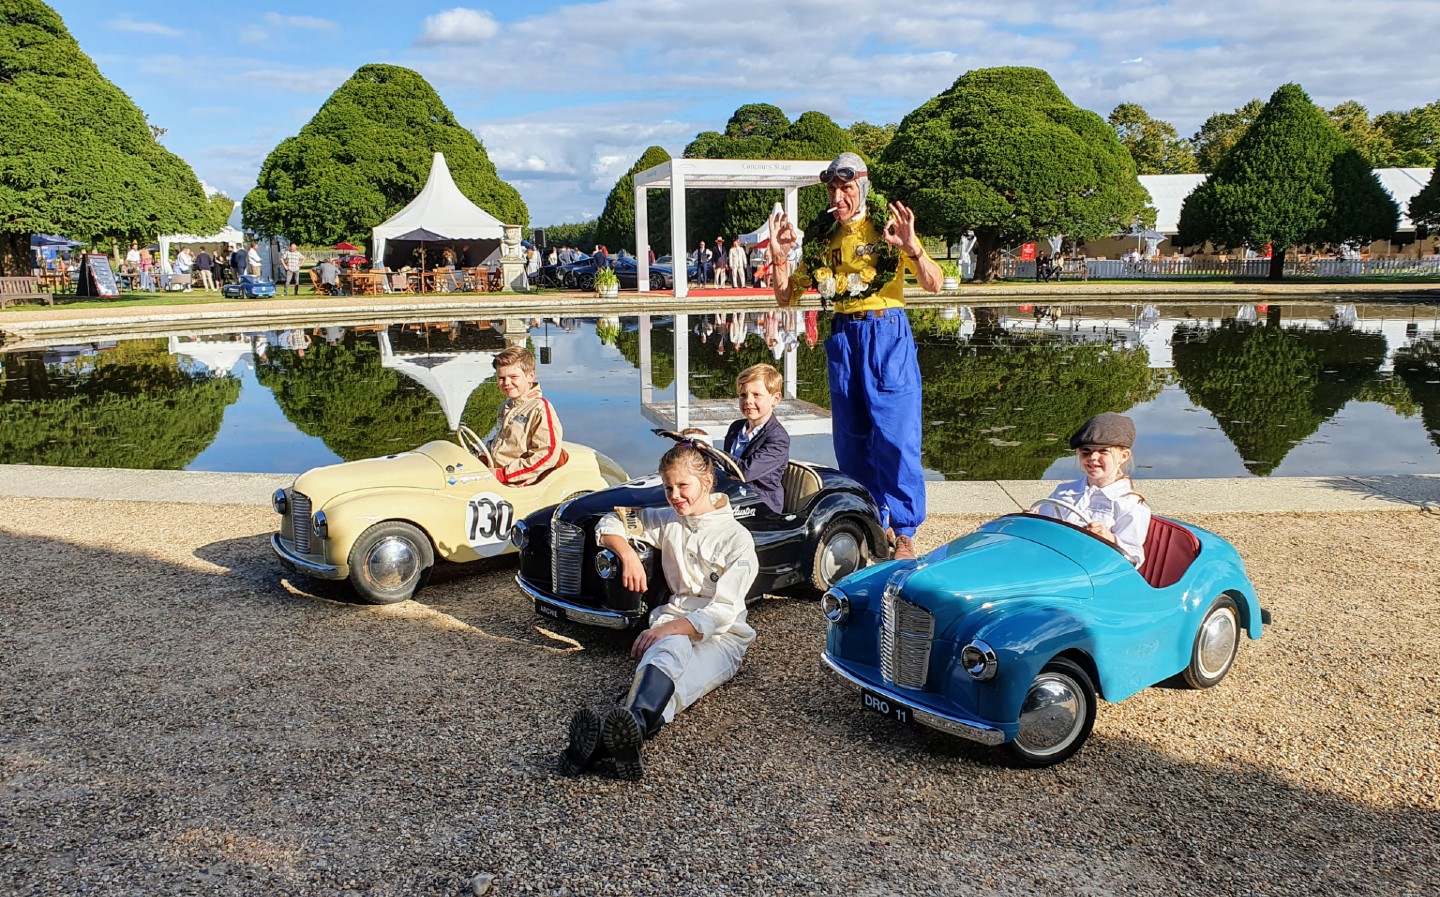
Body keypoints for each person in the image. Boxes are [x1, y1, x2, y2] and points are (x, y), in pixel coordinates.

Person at [768, 152, 943, 559]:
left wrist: (913, 249)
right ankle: (869, 518)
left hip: (886, 334)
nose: (837, 196)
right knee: (851, 441)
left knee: (896, 437)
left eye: (845, 188)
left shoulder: (886, 228)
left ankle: (903, 531)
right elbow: (784, 297)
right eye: (832, 188)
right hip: (844, 337)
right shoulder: (823, 237)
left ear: (861, 186)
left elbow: (933, 284)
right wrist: (780, 255)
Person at [560, 441, 758, 781]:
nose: (675, 495)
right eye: (668, 487)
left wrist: (665, 629)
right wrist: (628, 555)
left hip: (724, 638)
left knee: (684, 682)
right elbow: (610, 522)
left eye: (683, 486)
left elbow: (723, 612)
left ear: (707, 482)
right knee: (666, 654)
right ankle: (630, 729)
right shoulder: (667, 520)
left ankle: (601, 745)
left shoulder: (737, 540)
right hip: (673, 621)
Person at [1035, 413, 1151, 566]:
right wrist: (1033, 520)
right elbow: (1044, 529)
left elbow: (1134, 559)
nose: (1092, 457)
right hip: (1057, 562)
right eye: (1086, 451)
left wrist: (1110, 539)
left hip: (1095, 574)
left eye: (1103, 451)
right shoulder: (1065, 492)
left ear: (1123, 456)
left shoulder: (1131, 505)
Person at [488, 346, 563, 486]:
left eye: (513, 377)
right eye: (501, 378)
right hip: (496, 476)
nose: (506, 383)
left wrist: (505, 474)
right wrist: (483, 455)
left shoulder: (539, 409)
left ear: (530, 376)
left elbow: (547, 453)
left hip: (519, 483)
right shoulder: (506, 407)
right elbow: (501, 442)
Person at [722, 363, 790, 515]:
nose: (748, 401)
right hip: (735, 495)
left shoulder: (778, 438)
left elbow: (745, 472)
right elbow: (724, 470)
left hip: (761, 505)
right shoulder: (736, 427)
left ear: (775, 398)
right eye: (743, 395)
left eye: (756, 395)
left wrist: (708, 449)